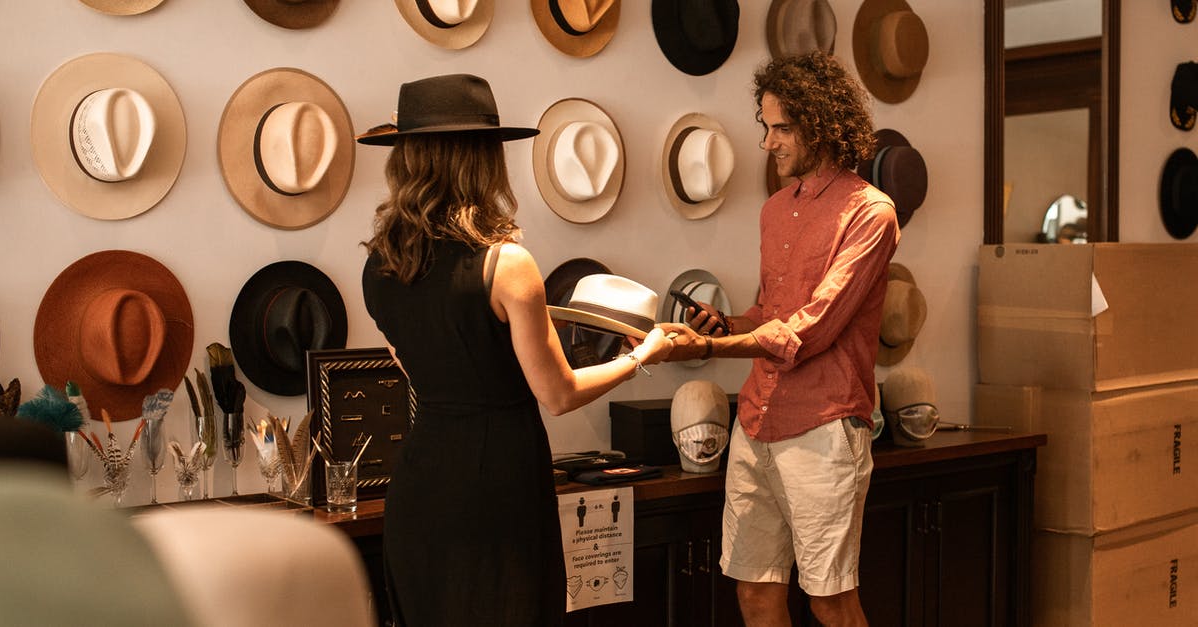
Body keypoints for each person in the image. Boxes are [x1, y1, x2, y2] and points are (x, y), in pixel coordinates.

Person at [358, 73, 673, 627]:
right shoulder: (505, 263)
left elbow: (416, 369)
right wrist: (641, 355)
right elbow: (556, 393)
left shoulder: (381, 266)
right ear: (481, 161)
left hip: (422, 485)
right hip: (497, 486)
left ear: (406, 159)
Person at [661, 52, 900, 627]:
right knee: (754, 592)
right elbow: (770, 313)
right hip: (757, 421)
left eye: (782, 127)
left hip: (823, 427)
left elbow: (810, 330)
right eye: (765, 126)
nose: (768, 143)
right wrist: (725, 325)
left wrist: (712, 351)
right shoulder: (773, 210)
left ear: (821, 123)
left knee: (830, 600)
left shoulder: (871, 212)